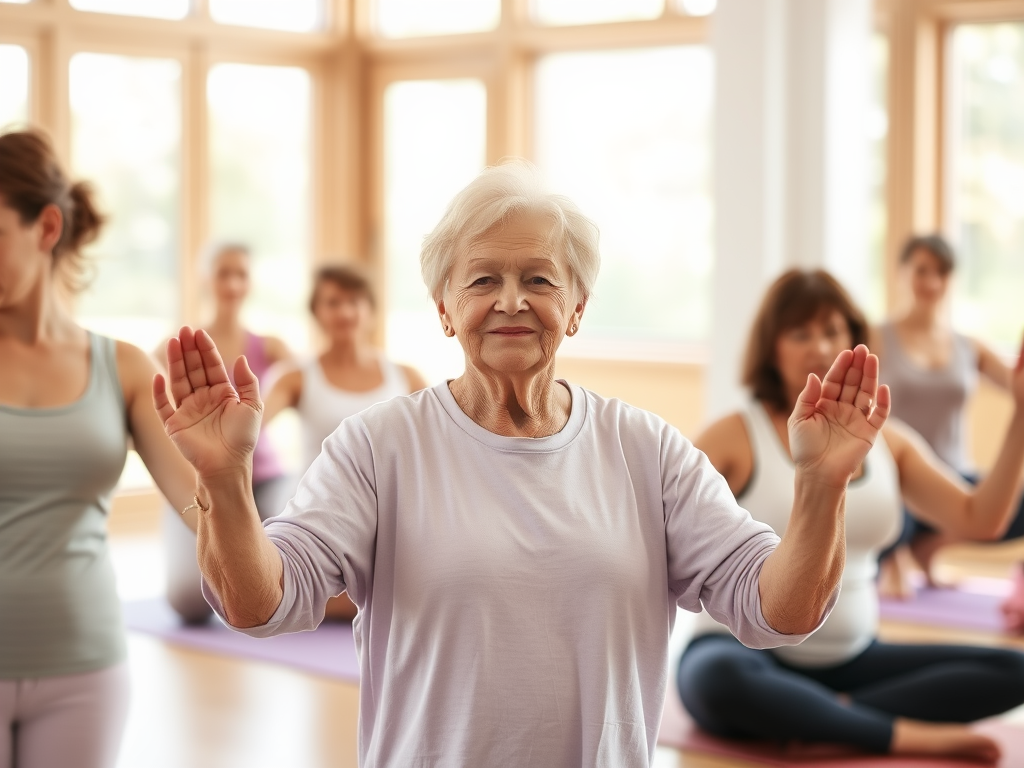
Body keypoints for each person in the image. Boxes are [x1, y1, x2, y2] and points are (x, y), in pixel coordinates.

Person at [155, 161, 887, 767]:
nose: (512, 302)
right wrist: (223, 479)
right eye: (481, 281)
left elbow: (778, 613)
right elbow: (260, 604)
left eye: (539, 279)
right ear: (444, 308)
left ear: (575, 306)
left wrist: (821, 487)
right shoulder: (377, 446)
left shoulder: (648, 450)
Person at [677, 269, 1024, 764]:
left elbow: (980, 519)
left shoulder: (890, 442)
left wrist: (1021, 415)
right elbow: (666, 534)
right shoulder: (734, 435)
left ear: (854, 340)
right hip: (746, 654)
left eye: (833, 331)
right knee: (716, 680)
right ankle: (897, 733)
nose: (819, 346)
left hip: (853, 657)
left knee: (1014, 671)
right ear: (772, 348)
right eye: (801, 333)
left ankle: (824, 719)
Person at [0, 128, 198, 768]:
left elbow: (204, 512)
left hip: (83, 668)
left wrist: (224, 466)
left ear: (47, 227)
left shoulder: (125, 369)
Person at [260, 263, 427, 619]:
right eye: (334, 303)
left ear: (370, 310)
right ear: (317, 312)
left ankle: (354, 593)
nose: (346, 312)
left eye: (355, 302)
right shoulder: (294, 377)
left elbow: (439, 439)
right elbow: (250, 425)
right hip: (320, 505)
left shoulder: (405, 375)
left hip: (387, 505)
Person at [872, 235, 1024, 613]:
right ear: (902, 273)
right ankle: (897, 556)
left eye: (941, 272)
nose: (932, 282)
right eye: (922, 271)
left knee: (1011, 504)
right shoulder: (874, 338)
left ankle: (928, 548)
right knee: (883, 508)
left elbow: (1015, 383)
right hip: (901, 484)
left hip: (954, 481)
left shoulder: (968, 347)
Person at [161, 242, 294, 624]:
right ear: (206, 279)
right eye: (224, 274)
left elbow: (312, 381)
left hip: (264, 478)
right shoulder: (176, 348)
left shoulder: (270, 347)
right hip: (197, 480)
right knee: (188, 602)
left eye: (242, 274)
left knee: (287, 575)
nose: (233, 284)